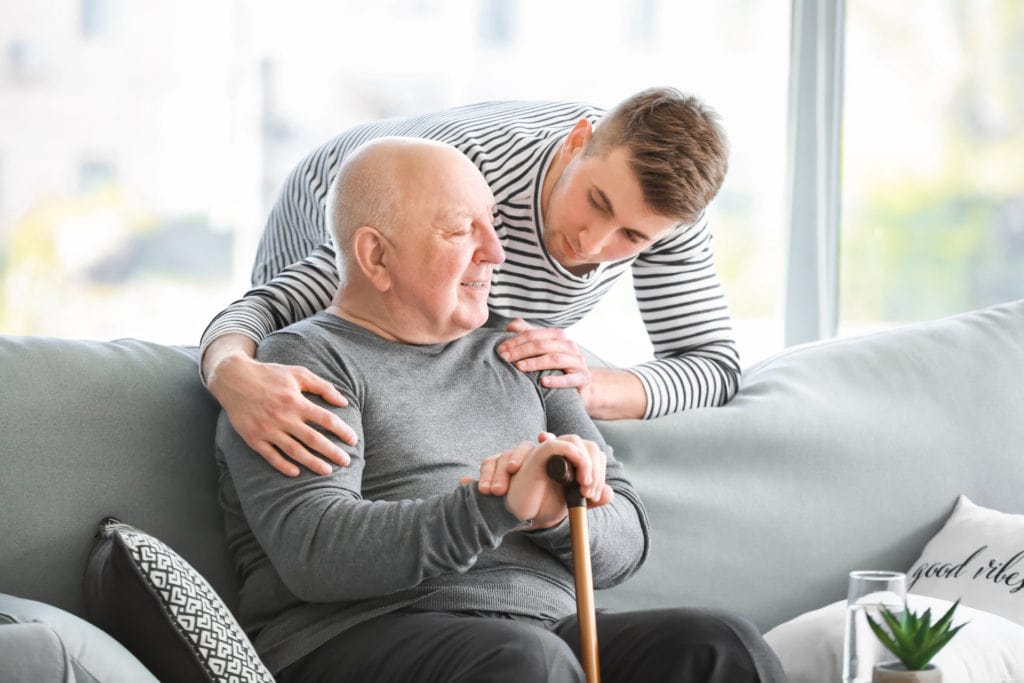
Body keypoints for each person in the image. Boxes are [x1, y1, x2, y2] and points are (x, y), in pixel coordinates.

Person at [214, 138, 785, 682]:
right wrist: (498, 506)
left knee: (721, 649)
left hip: (541, 633)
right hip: (356, 635)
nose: (496, 252)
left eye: (493, 223)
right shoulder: (297, 367)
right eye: (463, 230)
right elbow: (317, 552)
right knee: (529, 663)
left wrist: (557, 514)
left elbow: (626, 536)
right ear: (375, 255)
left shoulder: (524, 353)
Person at [203, 87, 742, 477]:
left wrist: (593, 387)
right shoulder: (472, 182)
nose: (594, 244)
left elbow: (713, 365)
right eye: (596, 203)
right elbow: (266, 310)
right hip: (340, 192)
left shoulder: (670, 214)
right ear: (578, 142)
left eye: (631, 236)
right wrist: (231, 373)